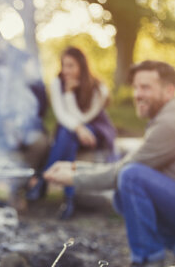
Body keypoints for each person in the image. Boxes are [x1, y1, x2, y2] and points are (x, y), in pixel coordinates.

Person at [43, 60, 175, 267]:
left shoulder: (173, 123)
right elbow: (129, 162)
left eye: (146, 87)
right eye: (136, 87)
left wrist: (73, 178)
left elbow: (126, 171)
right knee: (125, 191)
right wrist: (76, 167)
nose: (137, 94)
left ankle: (149, 266)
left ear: (169, 90)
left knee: (131, 178)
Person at [27, 47, 116, 219]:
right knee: (69, 136)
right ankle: (70, 197)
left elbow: (84, 117)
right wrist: (78, 128)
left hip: (95, 129)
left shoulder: (99, 88)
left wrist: (69, 96)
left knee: (68, 134)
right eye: (63, 65)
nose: (65, 71)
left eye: (71, 66)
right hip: (72, 130)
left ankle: (43, 179)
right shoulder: (57, 83)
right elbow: (61, 115)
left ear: (82, 66)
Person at [0, 26, 49, 171]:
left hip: (27, 124)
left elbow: (40, 102)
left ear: (3, 40)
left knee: (40, 143)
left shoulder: (24, 61)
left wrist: (20, 124)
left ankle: (28, 182)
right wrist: (3, 122)